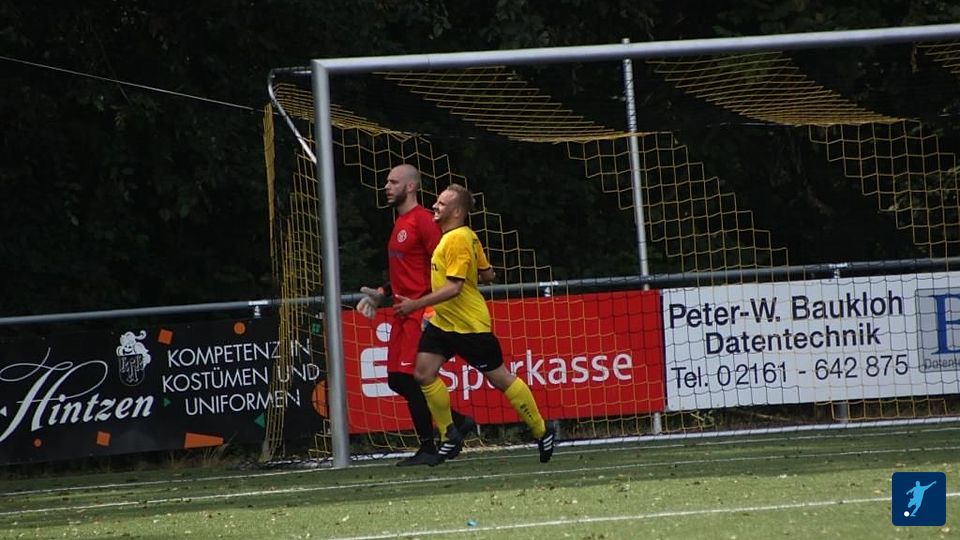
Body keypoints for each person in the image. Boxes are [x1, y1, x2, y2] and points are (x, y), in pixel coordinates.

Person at [394, 183, 556, 464]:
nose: (435, 206)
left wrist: (415, 305)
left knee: (500, 379)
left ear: (457, 212)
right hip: (444, 323)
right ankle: (449, 435)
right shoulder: (464, 236)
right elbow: (488, 274)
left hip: (470, 327)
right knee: (422, 373)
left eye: (442, 204)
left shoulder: (457, 239)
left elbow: (454, 287)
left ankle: (542, 431)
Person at [356, 164, 474, 467]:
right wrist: (382, 292)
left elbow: (441, 264)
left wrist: (431, 309)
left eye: (393, 182)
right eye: (387, 182)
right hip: (401, 312)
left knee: (412, 378)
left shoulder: (422, 221)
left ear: (410, 187)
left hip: (419, 312)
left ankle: (431, 445)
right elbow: (406, 272)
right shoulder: (400, 222)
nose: (387, 186)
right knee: (397, 379)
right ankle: (458, 422)